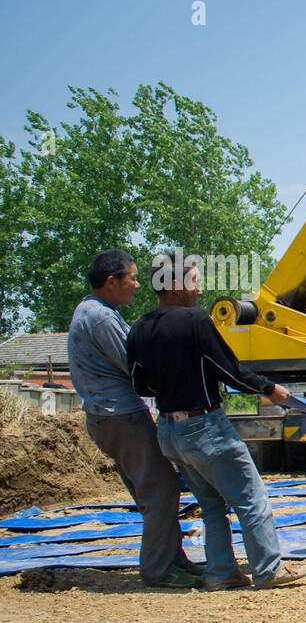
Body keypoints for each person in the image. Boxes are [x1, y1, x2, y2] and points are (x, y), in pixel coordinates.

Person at [127, 251, 306, 590]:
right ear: (176, 284)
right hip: (205, 426)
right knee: (251, 496)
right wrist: (269, 389)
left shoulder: (140, 328)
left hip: (168, 431)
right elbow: (229, 369)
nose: (200, 290)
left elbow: (139, 383)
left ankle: (221, 571)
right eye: (195, 282)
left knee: (210, 503)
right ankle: (269, 569)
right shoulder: (194, 320)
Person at [67, 250, 199, 588]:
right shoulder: (100, 318)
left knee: (153, 492)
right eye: (133, 278)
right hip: (121, 416)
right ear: (112, 281)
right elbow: (136, 364)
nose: (138, 285)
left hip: (106, 417)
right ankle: (159, 570)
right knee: (161, 489)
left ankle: (174, 559)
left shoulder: (92, 311)